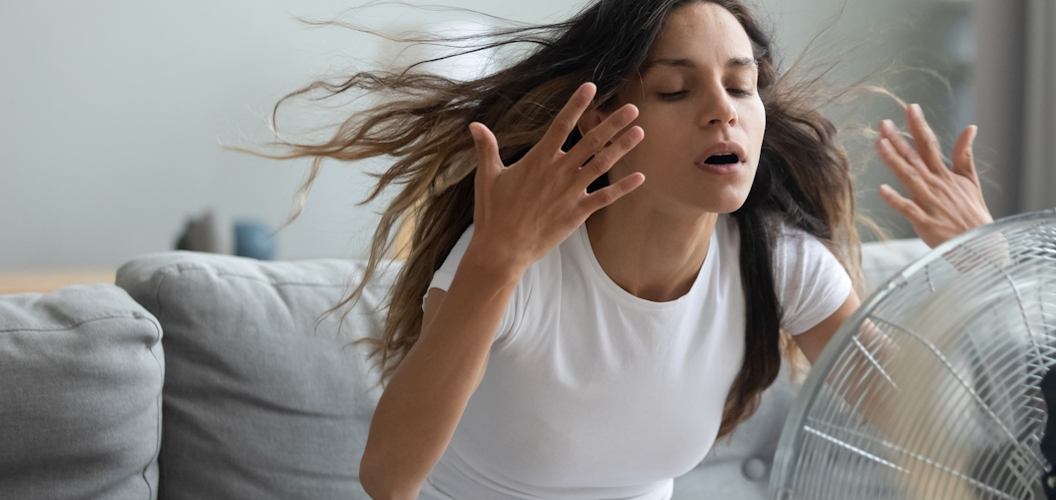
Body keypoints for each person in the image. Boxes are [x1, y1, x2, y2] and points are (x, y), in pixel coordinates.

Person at [262, 1, 991, 498]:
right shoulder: (520, 261)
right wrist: (494, 262)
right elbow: (387, 477)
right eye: (676, 90)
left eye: (742, 87)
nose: (722, 111)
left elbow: (940, 439)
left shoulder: (780, 265)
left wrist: (986, 271)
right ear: (607, 117)